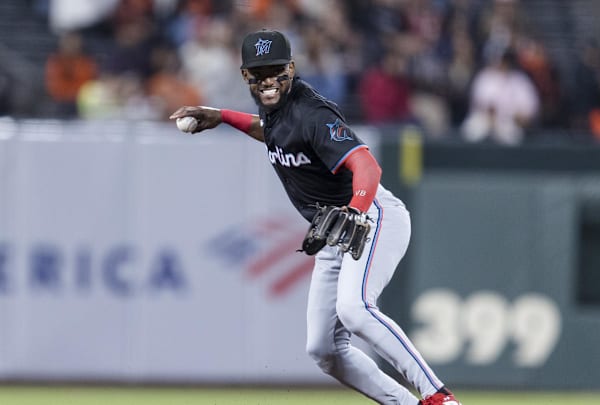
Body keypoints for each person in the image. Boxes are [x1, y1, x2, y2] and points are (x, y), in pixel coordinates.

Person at [170, 29, 461, 405]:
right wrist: (222, 116)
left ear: (291, 69)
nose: (268, 80)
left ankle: (438, 396)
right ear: (245, 76)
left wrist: (355, 211)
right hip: (334, 233)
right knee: (323, 348)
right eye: (258, 73)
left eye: (276, 70)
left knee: (355, 310)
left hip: (371, 217)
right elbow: (275, 133)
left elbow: (366, 166)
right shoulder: (274, 109)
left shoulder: (311, 112)